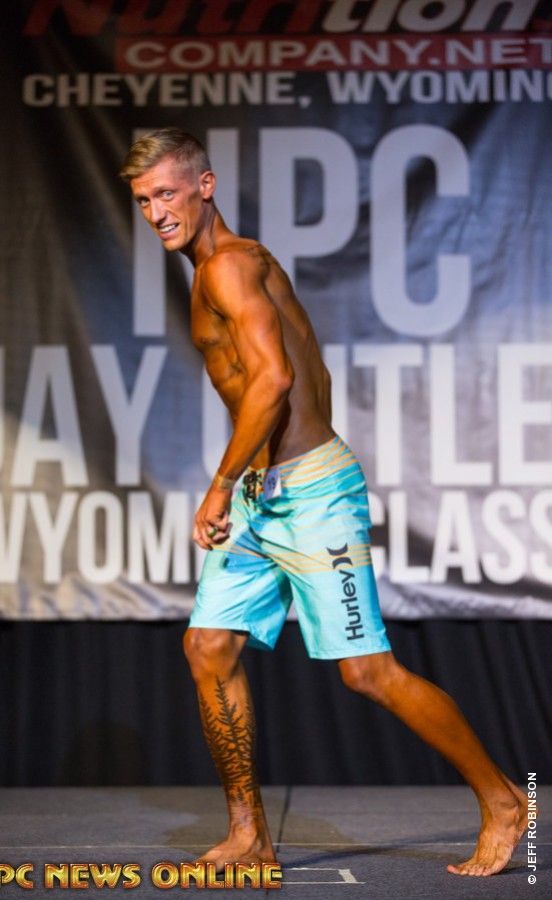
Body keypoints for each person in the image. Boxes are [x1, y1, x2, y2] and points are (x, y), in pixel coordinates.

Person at [120, 127, 528, 878]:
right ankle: (248, 832)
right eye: (144, 200)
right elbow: (301, 375)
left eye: (167, 194)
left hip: (309, 492)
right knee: (208, 646)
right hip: (262, 495)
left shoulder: (230, 266)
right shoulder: (216, 268)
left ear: (205, 186)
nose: (156, 212)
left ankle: (505, 799)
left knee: (367, 671)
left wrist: (221, 482)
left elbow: (275, 380)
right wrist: (246, 481)